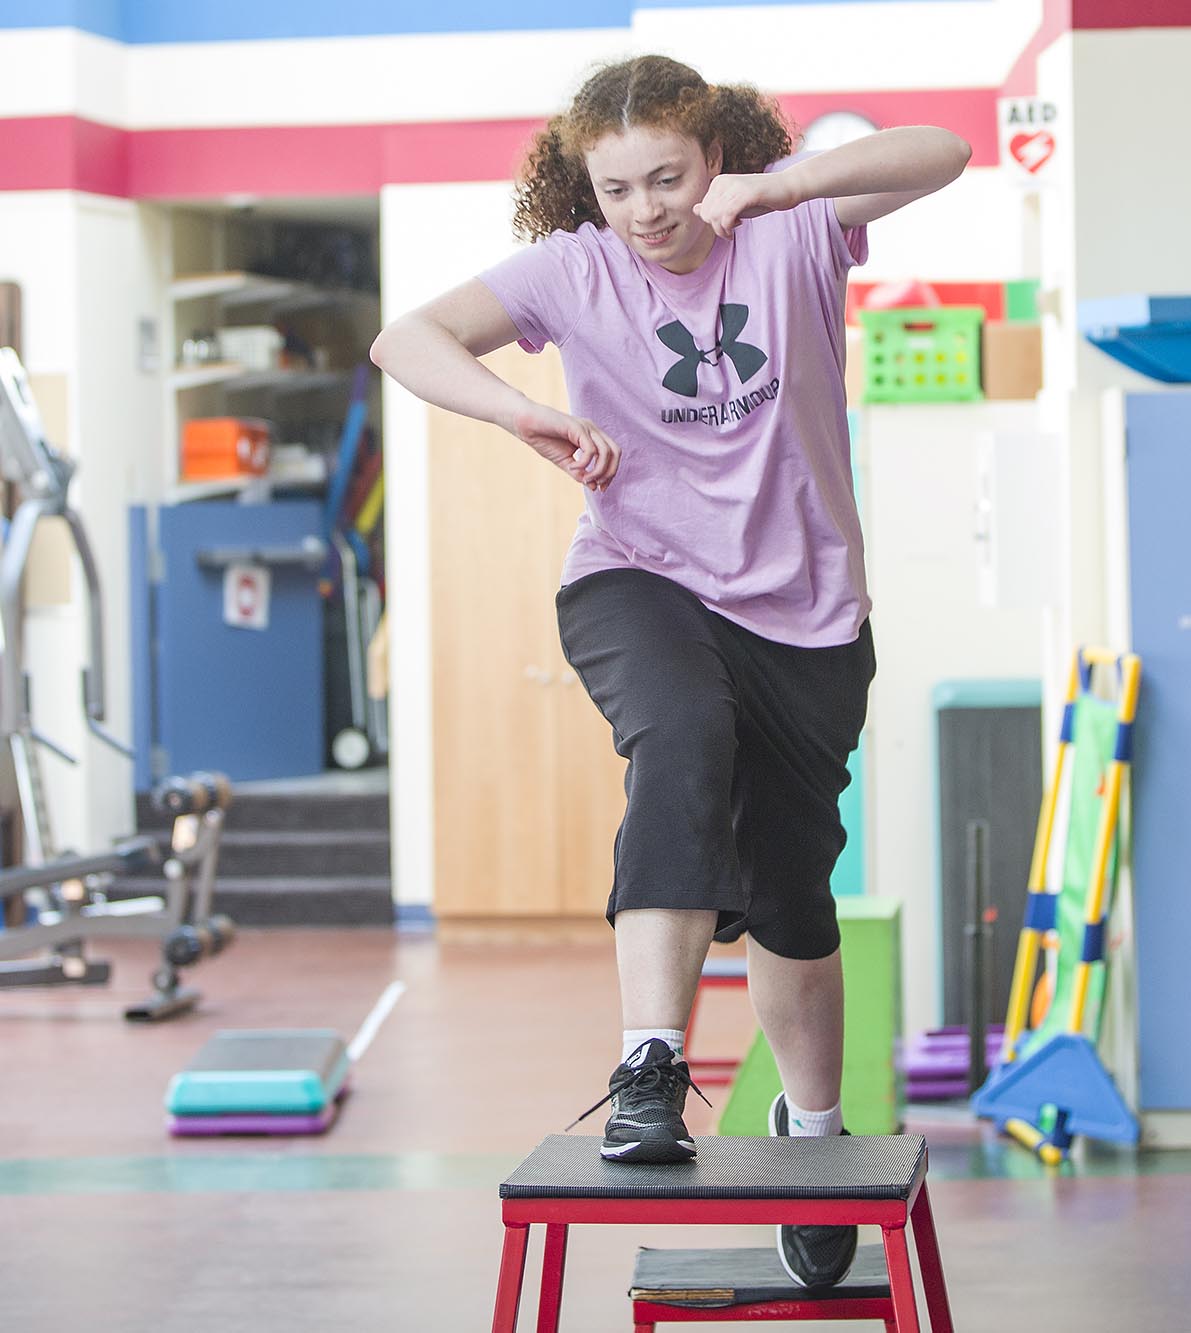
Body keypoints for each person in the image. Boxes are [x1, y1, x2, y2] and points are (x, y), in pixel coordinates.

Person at [371, 54, 969, 1287]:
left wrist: (778, 188)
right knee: (682, 735)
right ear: (581, 188)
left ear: (712, 161)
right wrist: (512, 411)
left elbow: (942, 152)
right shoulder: (573, 271)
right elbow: (404, 338)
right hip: (638, 573)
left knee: (795, 887)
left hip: (805, 612)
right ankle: (651, 1065)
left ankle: (811, 1140)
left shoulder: (794, 233)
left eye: (668, 177)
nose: (645, 209)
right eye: (615, 186)